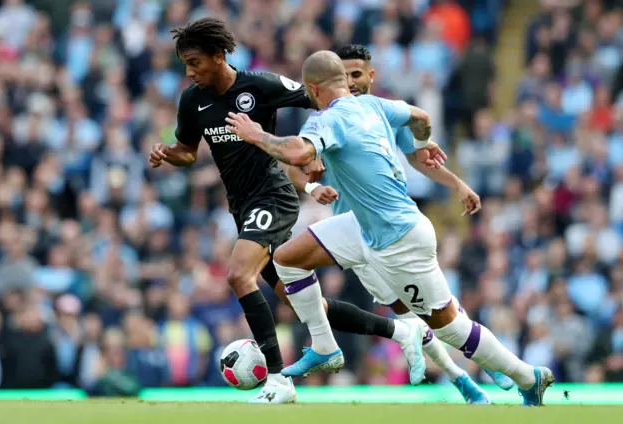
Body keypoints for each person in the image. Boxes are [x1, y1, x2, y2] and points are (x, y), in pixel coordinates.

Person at [225, 50, 555, 407]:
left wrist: (255, 134)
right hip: (364, 226)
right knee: (287, 259)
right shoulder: (375, 105)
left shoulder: (327, 120)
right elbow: (421, 116)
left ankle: (527, 376)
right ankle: (324, 346)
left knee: (449, 327)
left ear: (313, 88)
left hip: (398, 239)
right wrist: (422, 143)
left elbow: (299, 154)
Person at [149, 19, 443, 404]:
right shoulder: (193, 100)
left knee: (239, 275)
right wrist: (169, 153)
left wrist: (320, 151)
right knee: (302, 302)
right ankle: (400, 332)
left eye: (194, 62)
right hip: (242, 207)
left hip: (273, 198)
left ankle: (278, 380)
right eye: (185, 65)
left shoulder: (259, 86)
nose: (189, 72)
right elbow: (188, 151)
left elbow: (324, 100)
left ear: (218, 57)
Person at [285, 44, 514, 404]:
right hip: (353, 230)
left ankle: (480, 363)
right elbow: (294, 164)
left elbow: (422, 155)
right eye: (343, 76)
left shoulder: (381, 112)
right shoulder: (327, 119)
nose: (350, 82)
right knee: (414, 316)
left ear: (369, 76)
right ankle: (466, 377)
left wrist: (457, 184)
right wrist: (313, 184)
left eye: (355, 74)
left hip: (386, 230)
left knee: (426, 314)